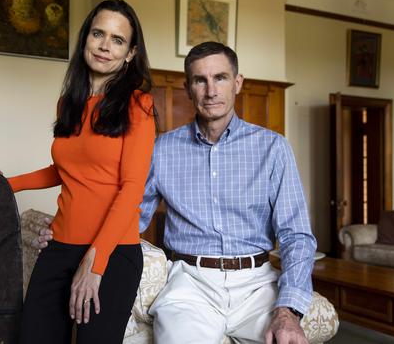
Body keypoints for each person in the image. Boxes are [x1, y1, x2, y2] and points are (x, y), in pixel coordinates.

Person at [33, 41, 317, 344]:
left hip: (258, 284)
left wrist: (288, 310)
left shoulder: (273, 148)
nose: (211, 91)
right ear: (188, 87)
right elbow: (129, 215)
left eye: (220, 78)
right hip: (190, 286)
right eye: (200, 80)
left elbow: (296, 236)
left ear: (237, 83)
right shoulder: (162, 150)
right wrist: (65, 234)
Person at [0, 0, 156, 344]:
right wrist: (4, 184)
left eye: (117, 40)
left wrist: (95, 263)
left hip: (113, 253)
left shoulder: (138, 105)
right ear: (85, 38)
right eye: (98, 33)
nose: (104, 45)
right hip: (60, 246)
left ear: (130, 53)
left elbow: (131, 189)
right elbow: (65, 169)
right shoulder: (68, 103)